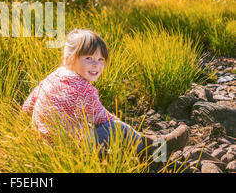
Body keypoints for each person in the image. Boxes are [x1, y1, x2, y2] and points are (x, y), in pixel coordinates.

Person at [22, 28, 189, 160]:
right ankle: (152, 149)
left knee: (96, 128)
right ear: (69, 58)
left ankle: (107, 156)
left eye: (100, 59)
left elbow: (28, 105)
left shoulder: (53, 76)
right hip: (68, 148)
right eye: (88, 58)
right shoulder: (83, 89)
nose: (96, 65)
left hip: (44, 144)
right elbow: (103, 119)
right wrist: (125, 128)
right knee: (115, 128)